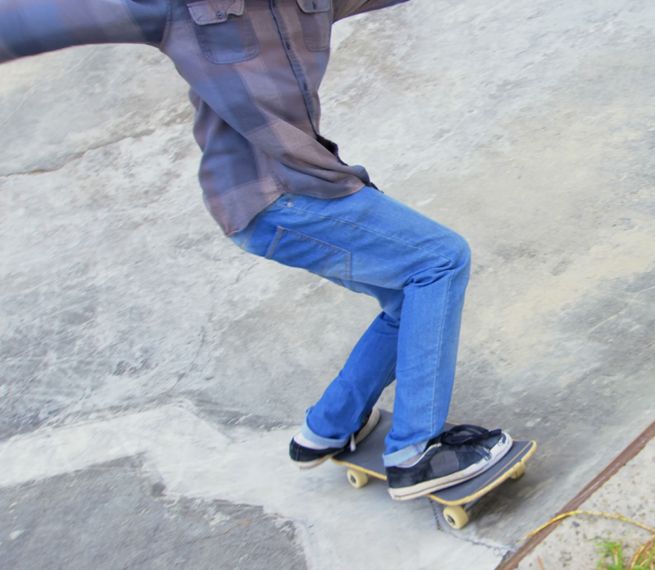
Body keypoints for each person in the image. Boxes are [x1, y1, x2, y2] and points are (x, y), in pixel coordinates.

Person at [0, 0, 510, 501]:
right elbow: (39, 18)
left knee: (409, 296)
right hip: (276, 200)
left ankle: (328, 428)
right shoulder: (179, 8)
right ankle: (415, 453)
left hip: (304, 190)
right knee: (438, 261)